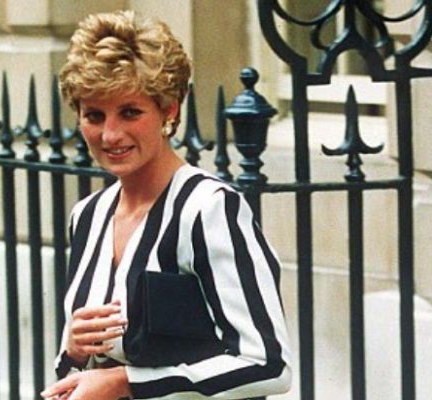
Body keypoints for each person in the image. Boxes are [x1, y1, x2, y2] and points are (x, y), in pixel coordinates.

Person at [41, 10, 292, 400]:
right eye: (94, 115)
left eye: (130, 112)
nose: (110, 134)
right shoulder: (88, 216)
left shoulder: (208, 209)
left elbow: (268, 365)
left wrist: (127, 381)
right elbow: (85, 375)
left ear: (169, 110)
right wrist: (73, 350)